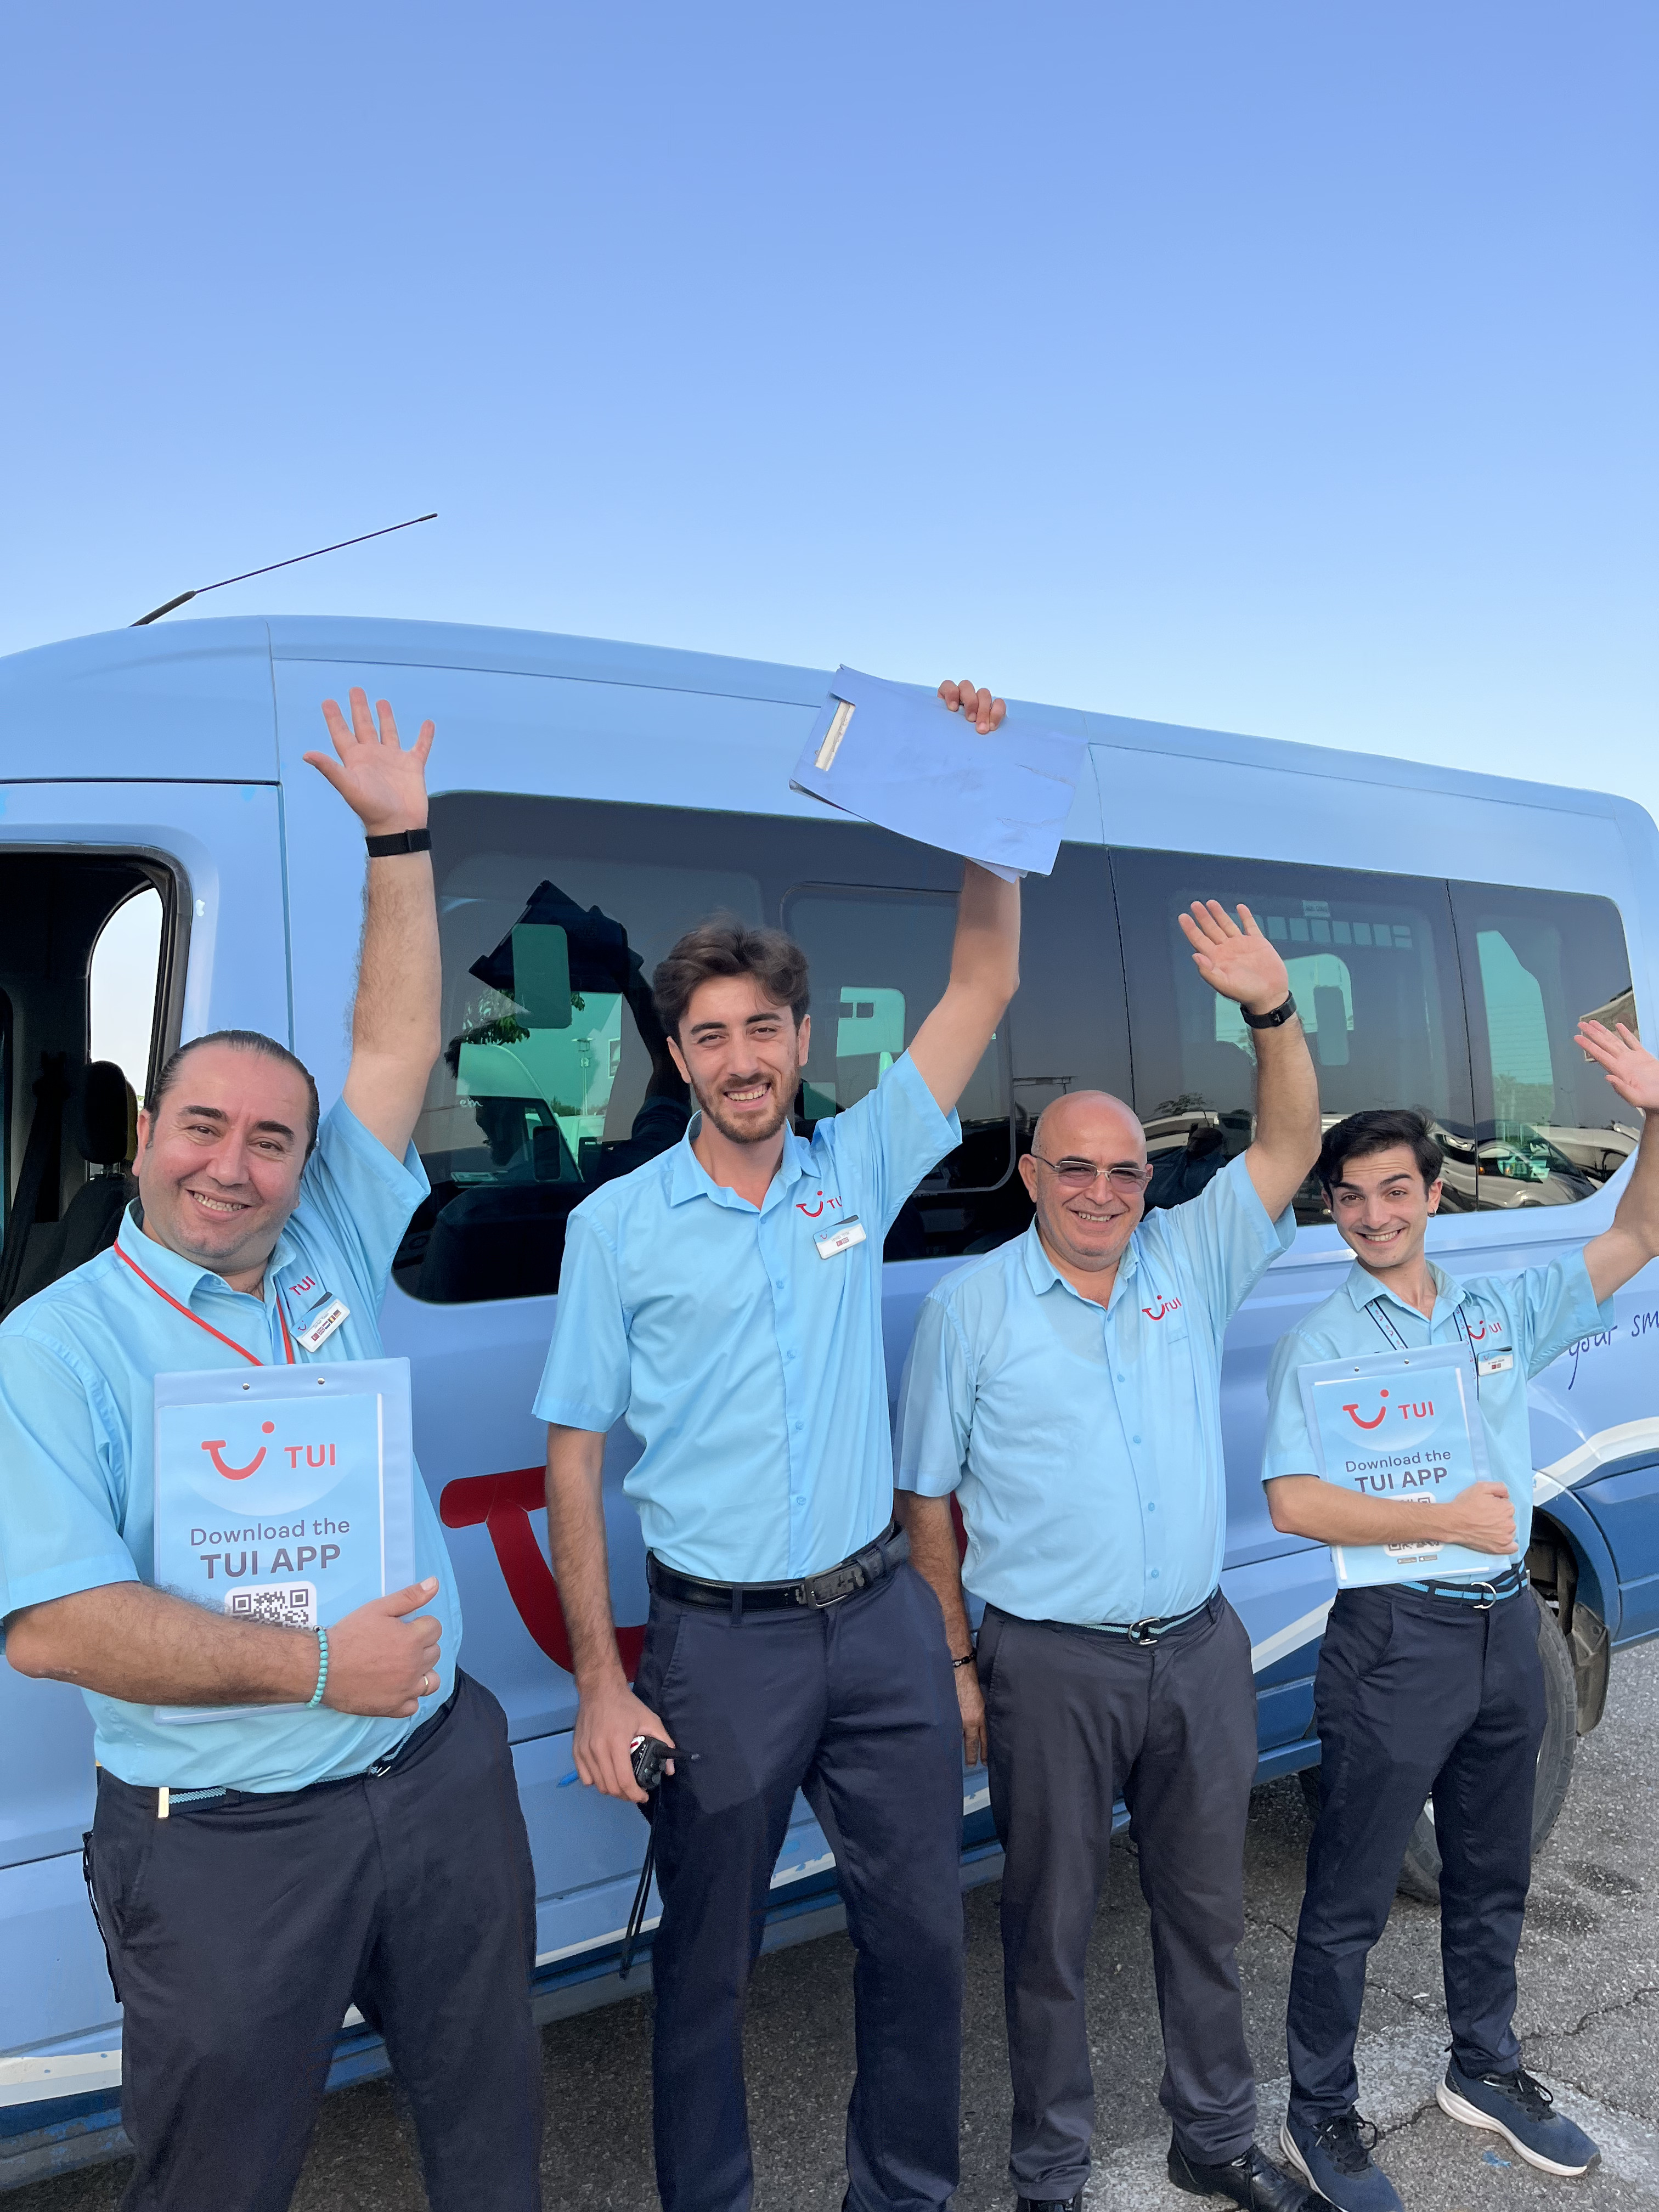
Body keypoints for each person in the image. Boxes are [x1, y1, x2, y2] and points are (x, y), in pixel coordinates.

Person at [0, 691, 542, 2212]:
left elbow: (393, 1037)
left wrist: (396, 836)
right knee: (218, 2180)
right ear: (141, 1131)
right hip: (227, 1846)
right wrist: (317, 1674)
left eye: (272, 1142)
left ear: (312, 1169)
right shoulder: (53, 1350)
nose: (232, 1169)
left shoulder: (332, 1250)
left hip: (436, 1780)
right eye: (202, 1128)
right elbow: (51, 1626)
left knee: (491, 2137)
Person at [535, 678, 1019, 2212]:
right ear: (675, 1057)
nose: (742, 1057)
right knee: (707, 1969)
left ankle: (906, 2196)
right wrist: (606, 1682)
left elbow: (986, 978)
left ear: (803, 1040)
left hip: (876, 1621)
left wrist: (978, 797)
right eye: (708, 1036)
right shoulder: (615, 1228)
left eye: (764, 1029)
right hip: (720, 1646)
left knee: (921, 1943)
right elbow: (570, 1460)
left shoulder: (855, 1167)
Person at [894, 901, 1324, 2212]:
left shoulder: (1190, 1260)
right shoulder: (969, 1311)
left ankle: (1216, 2140)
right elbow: (927, 1514)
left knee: (1206, 1919)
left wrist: (1272, 1010)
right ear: (1032, 1178)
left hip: (1196, 1651)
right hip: (1049, 1669)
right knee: (1051, 1936)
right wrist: (960, 1667)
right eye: (1072, 1169)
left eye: (1124, 1172)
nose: (1099, 1193)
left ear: (1152, 1184)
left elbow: (1296, 1139)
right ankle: (1051, 2174)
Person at [1261, 1022, 1659, 2212]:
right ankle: (1316, 2110)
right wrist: (1440, 1515)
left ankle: (1485, 2065)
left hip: (1503, 1628)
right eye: (1352, 1198)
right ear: (1330, 1211)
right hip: (1394, 1637)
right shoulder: (1321, 1343)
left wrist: (1657, 1115)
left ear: (1436, 1193)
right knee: (1348, 1897)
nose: (1376, 1215)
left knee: (1493, 1875)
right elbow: (1293, 1502)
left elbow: (1640, 1231)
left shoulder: (1498, 1312)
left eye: (1397, 1190)